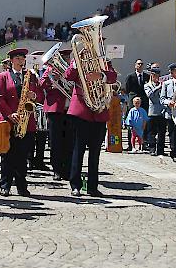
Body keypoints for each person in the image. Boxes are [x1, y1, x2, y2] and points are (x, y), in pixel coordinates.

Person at [65, 44, 118, 197]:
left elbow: (113, 77)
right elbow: (68, 76)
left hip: (99, 111)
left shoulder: (104, 61)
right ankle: (75, 185)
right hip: (81, 111)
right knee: (78, 150)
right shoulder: (79, 61)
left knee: (95, 152)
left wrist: (100, 75)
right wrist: (76, 60)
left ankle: (92, 187)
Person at [0, 48, 44, 197]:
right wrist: (10, 114)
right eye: (17, 58)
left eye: (22, 58)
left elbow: (40, 95)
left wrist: (34, 95)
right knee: (7, 155)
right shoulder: (2, 76)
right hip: (9, 121)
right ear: (11, 60)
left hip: (26, 122)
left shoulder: (30, 76)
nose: (21, 61)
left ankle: (22, 186)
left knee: (22, 156)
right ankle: (5, 185)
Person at [40, 48, 73, 181]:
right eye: (63, 58)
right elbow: (42, 82)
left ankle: (67, 168)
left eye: (67, 58)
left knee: (69, 141)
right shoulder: (50, 68)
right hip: (55, 110)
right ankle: (57, 170)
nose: (66, 60)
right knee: (55, 141)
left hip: (70, 110)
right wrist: (52, 79)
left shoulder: (72, 70)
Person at [124, 59, 149, 151]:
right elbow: (127, 89)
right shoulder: (130, 76)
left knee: (143, 122)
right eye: (138, 64)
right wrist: (131, 99)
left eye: (142, 64)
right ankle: (131, 144)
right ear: (135, 65)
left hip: (143, 102)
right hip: (133, 101)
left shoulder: (147, 76)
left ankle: (144, 143)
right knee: (132, 122)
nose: (140, 65)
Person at [144, 66, 166, 155]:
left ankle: (161, 150)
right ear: (152, 76)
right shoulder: (147, 85)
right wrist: (158, 87)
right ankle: (152, 149)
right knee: (152, 132)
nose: (157, 77)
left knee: (162, 132)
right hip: (152, 112)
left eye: (158, 75)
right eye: (155, 75)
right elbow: (150, 95)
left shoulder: (163, 85)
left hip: (162, 112)